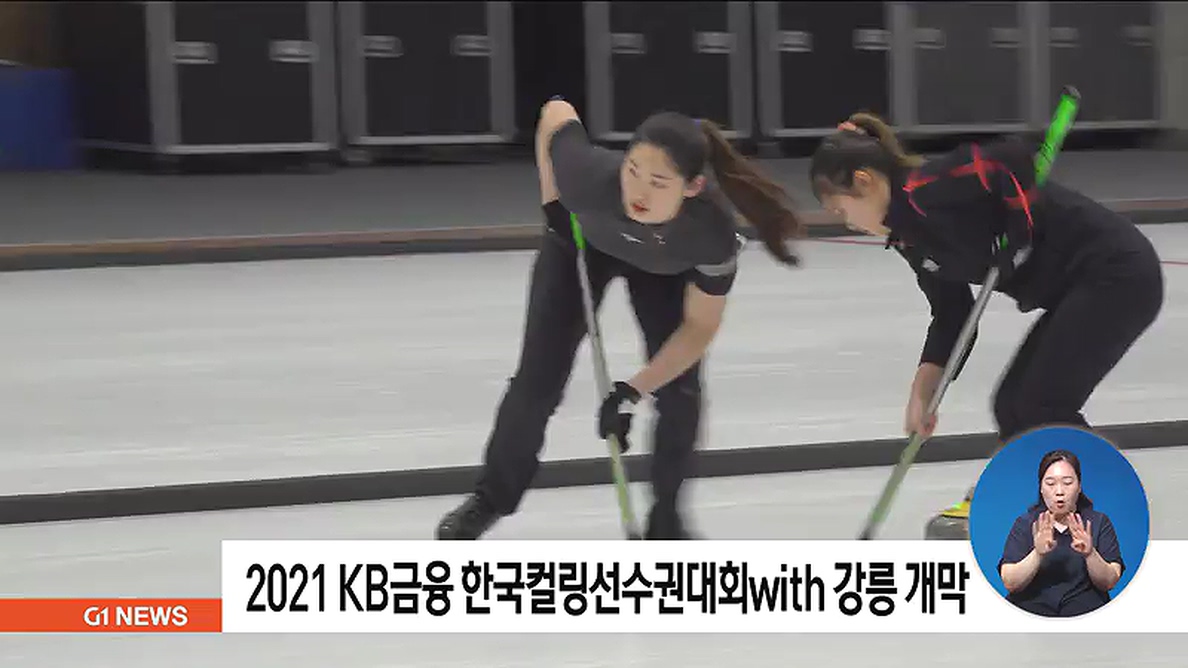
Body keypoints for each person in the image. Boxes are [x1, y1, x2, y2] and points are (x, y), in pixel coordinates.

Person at [435, 98, 803, 539]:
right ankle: (491, 498)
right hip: (579, 247)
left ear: (692, 187)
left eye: (659, 182)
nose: (639, 192)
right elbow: (555, 111)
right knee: (537, 382)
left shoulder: (710, 234)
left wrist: (632, 391)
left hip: (664, 269)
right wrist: (552, 203)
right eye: (633, 171)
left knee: (680, 392)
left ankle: (667, 518)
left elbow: (700, 328)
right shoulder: (588, 176)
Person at [809, 112, 1164, 531]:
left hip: (1116, 273)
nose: (847, 222)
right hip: (1079, 287)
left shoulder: (927, 189)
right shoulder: (910, 238)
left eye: (841, 208)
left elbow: (1006, 159)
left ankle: (1092, 491)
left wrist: (1019, 226)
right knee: (1010, 404)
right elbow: (952, 312)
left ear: (865, 181)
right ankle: (1020, 491)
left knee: (1039, 404)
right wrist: (923, 392)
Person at [997, 449, 1124, 617]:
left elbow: (1110, 581)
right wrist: (1037, 553)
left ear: (1079, 486)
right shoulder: (1025, 523)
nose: (1059, 491)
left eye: (1067, 482)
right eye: (1050, 483)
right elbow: (1010, 582)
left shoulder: (1098, 522)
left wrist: (1090, 553)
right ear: (1041, 488)